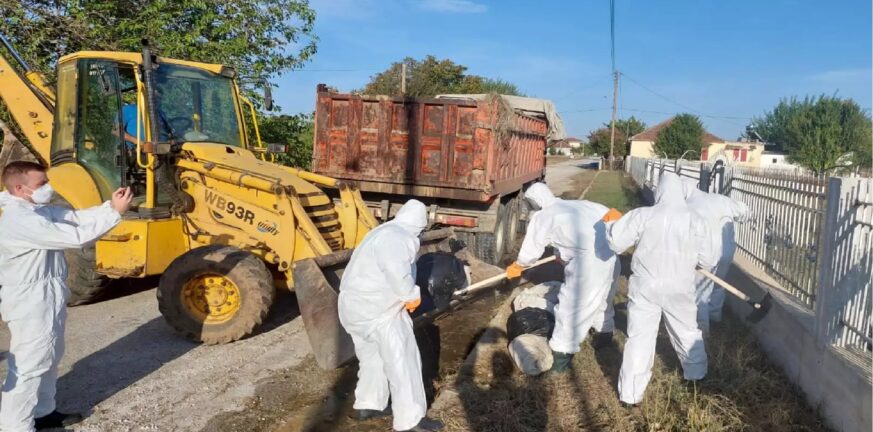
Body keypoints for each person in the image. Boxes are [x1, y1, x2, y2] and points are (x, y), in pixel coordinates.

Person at [0, 161, 132, 431]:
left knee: (49, 355)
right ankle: (15, 426)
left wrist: (109, 207)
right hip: (30, 300)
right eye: (41, 184)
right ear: (19, 188)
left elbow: (75, 218)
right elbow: (76, 237)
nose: (47, 188)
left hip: (46, 295)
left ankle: (43, 411)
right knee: (29, 364)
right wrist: (114, 215)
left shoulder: (36, 209)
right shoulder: (20, 219)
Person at [607, 172, 717, 406]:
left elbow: (615, 242)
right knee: (686, 331)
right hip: (680, 287)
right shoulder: (696, 220)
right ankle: (696, 376)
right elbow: (709, 260)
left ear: (660, 191)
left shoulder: (644, 215)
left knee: (639, 337)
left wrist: (613, 224)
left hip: (646, 287)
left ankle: (630, 395)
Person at [337, 199, 443, 432]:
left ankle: (368, 404)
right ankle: (410, 420)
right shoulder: (400, 237)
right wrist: (411, 295)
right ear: (419, 225)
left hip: (353, 308)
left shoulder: (380, 231)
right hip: (379, 310)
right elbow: (396, 271)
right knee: (403, 361)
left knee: (371, 357)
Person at [506, 183, 622, 373]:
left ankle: (561, 363)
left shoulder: (544, 216)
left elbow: (531, 251)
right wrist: (565, 252)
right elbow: (614, 217)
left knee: (570, 309)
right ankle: (604, 338)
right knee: (603, 300)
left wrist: (519, 265)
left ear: (535, 202)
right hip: (610, 257)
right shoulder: (579, 205)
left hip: (588, 265)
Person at [680, 178, 750, 333]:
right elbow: (744, 211)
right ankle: (715, 315)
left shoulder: (688, 206)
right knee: (719, 284)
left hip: (706, 252)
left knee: (701, 289)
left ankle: (702, 326)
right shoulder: (719, 199)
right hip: (726, 250)